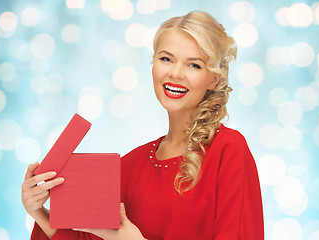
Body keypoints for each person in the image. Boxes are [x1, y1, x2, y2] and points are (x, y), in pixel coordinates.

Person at [22, 11, 264, 240]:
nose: (176, 73)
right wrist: (39, 211)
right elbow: (91, 237)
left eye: (194, 65)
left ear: (214, 79)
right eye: (166, 59)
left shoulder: (228, 150)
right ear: (153, 65)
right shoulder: (130, 165)